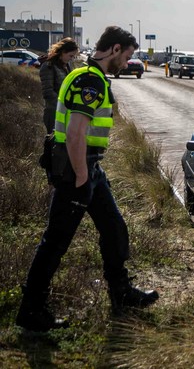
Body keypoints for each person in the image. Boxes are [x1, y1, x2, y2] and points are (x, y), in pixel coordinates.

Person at [16, 26, 159, 332]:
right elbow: (75, 132)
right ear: (116, 49)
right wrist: (82, 175)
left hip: (90, 168)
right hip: (78, 170)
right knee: (56, 241)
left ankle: (120, 293)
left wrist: (88, 172)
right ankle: (30, 310)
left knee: (114, 228)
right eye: (128, 56)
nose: (127, 62)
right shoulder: (89, 80)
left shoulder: (87, 74)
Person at [39, 38, 79, 133]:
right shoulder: (48, 66)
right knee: (53, 144)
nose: (71, 59)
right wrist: (62, 106)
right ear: (63, 52)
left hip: (65, 112)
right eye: (70, 56)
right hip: (53, 113)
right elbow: (48, 92)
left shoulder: (66, 66)